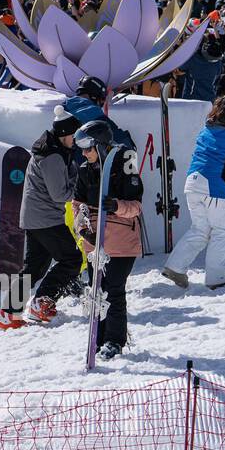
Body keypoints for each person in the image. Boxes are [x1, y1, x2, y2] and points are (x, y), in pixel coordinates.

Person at [162, 94, 225, 289]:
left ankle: (175, 267)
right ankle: (218, 278)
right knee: (222, 232)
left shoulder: (207, 130)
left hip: (193, 183)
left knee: (200, 229)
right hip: (215, 188)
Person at [0, 107, 81, 328]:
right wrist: (80, 186)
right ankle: (41, 303)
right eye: (75, 135)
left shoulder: (53, 149)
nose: (77, 139)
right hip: (46, 218)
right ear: (64, 134)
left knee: (34, 267)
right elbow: (60, 194)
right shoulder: (52, 156)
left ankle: (8, 314)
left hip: (35, 217)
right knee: (72, 259)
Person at [72, 120, 143, 358]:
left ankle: (115, 340)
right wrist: (82, 228)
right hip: (96, 243)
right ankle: (98, 335)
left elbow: (136, 207)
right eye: (80, 147)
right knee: (96, 290)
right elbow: (77, 205)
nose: (83, 153)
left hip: (121, 243)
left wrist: (116, 206)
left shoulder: (124, 162)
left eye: (87, 147)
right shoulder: (85, 170)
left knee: (113, 289)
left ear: (100, 144)